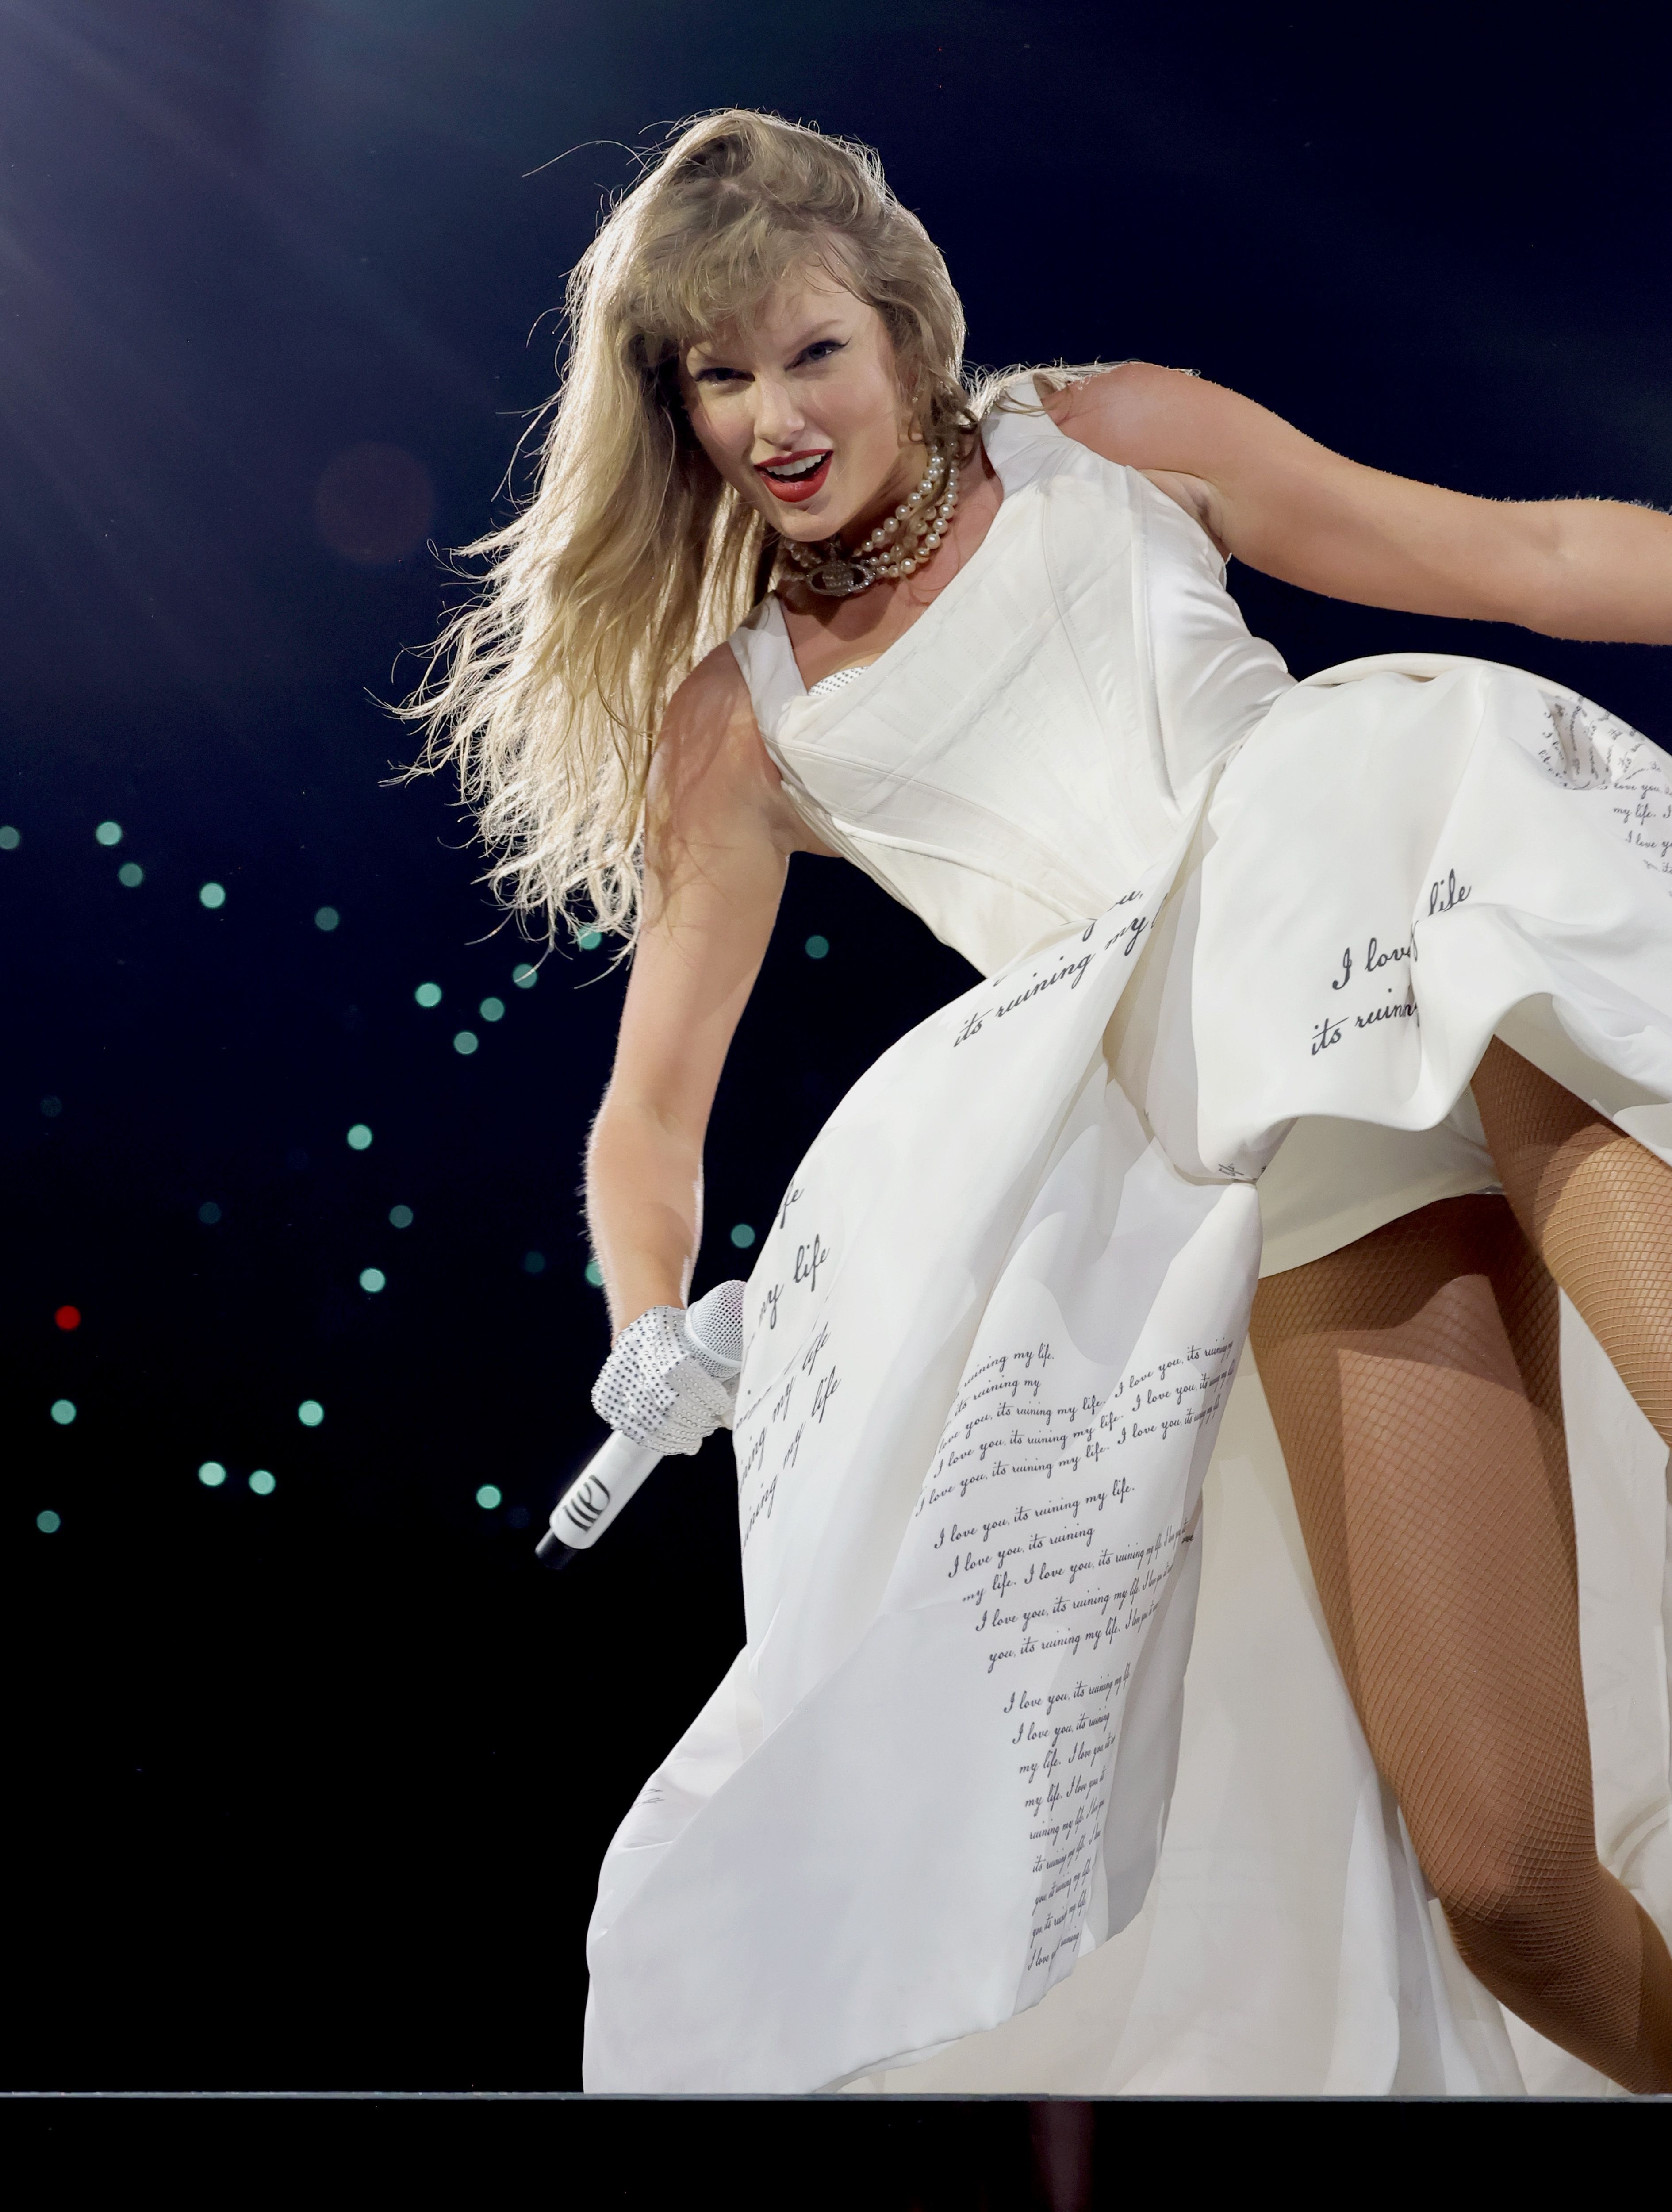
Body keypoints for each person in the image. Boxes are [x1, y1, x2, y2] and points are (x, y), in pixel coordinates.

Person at [406, 110, 1672, 2096]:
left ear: (904, 329)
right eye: (720, 377)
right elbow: (646, 1116)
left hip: (1426, 909)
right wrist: (646, 1327)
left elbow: (1517, 556)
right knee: (1507, 1888)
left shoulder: (1108, 436)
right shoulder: (739, 723)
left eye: (811, 351)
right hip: (1256, 1144)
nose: (773, 417)